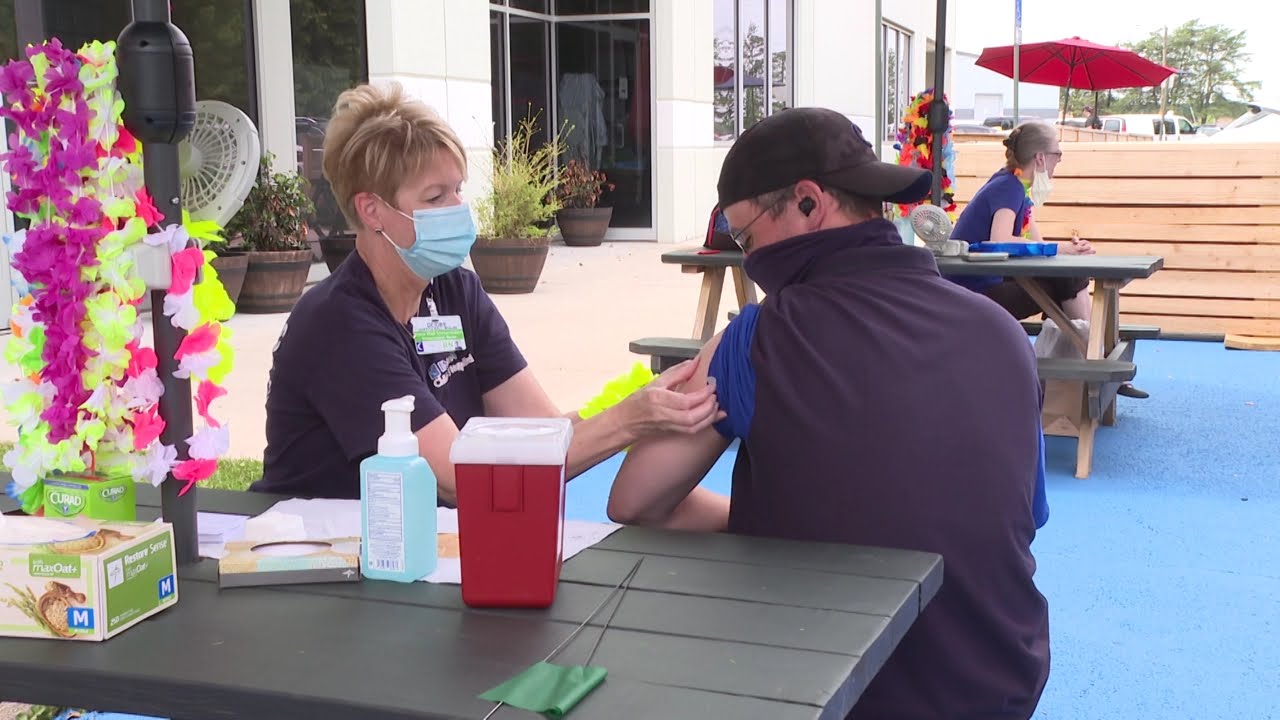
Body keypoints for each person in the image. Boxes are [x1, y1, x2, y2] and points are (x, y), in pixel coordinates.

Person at [606, 107, 1050, 719]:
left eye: (744, 237)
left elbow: (635, 502)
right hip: (996, 683)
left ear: (810, 203)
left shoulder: (759, 339)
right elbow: (1008, 517)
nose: (747, 258)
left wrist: (769, 522)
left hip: (829, 691)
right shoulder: (1002, 334)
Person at [253, 82, 725, 504]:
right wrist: (629, 420)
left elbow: (546, 431)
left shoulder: (455, 290)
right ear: (372, 210)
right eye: (435, 197)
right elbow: (457, 475)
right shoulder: (339, 324)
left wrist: (641, 401)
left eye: (458, 190)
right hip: (317, 553)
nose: (459, 209)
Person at [947, 121, 1147, 397]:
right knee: (1068, 279)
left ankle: (1088, 362)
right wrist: (1061, 250)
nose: (1058, 162)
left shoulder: (1013, 185)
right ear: (1041, 157)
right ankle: (1095, 360)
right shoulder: (1010, 188)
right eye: (1058, 154)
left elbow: (1036, 245)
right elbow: (999, 239)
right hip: (975, 294)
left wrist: (1064, 249)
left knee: (1066, 277)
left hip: (975, 288)